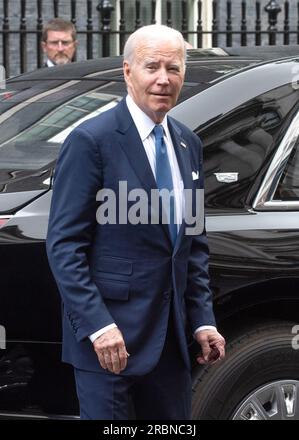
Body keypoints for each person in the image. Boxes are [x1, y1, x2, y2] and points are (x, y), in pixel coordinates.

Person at [46, 24, 225, 420]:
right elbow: (64, 246)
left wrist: (202, 322)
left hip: (171, 346)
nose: (163, 79)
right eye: (152, 67)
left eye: (173, 68)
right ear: (128, 72)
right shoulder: (92, 141)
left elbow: (192, 245)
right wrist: (98, 326)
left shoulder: (187, 143)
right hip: (110, 346)